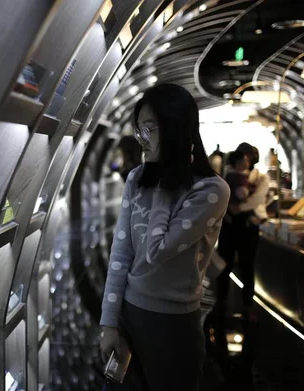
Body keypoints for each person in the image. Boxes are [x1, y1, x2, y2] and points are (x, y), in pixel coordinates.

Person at [99, 83, 230, 391]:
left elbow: (156, 250)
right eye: (139, 130)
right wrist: (108, 322)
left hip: (173, 324)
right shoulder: (136, 179)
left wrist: (164, 182)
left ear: (175, 129)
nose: (142, 139)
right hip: (130, 314)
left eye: (150, 129)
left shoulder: (210, 191)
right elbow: (122, 253)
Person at [216, 143, 269, 323]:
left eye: (249, 156)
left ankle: (247, 306)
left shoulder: (261, 178)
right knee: (224, 265)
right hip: (229, 224)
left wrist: (237, 209)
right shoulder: (227, 174)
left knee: (247, 266)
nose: (246, 160)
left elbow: (257, 199)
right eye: (243, 156)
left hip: (247, 225)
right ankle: (220, 303)